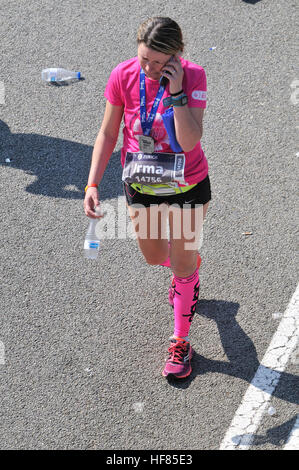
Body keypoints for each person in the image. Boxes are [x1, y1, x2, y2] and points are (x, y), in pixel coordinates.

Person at [83, 17, 211, 379]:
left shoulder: (194, 76)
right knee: (156, 257)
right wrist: (92, 184)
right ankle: (187, 269)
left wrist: (177, 94)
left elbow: (189, 141)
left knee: (182, 264)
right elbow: (108, 134)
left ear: (177, 55)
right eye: (144, 59)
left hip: (187, 185)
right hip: (141, 184)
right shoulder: (123, 75)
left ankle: (180, 340)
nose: (150, 68)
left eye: (158, 62)